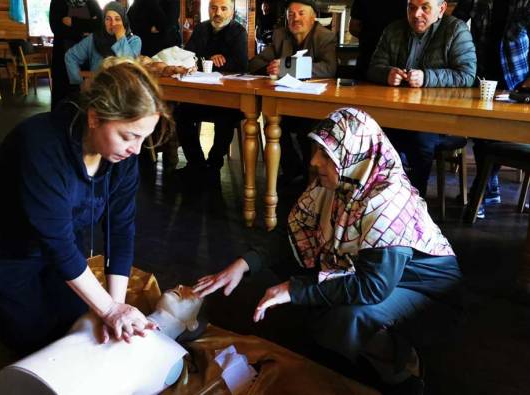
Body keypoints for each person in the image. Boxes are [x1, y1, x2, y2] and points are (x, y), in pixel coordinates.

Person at [194, 108, 462, 392]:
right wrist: (244, 263)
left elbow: (373, 287)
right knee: (312, 295)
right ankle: (349, 342)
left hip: (422, 287)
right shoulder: (344, 179)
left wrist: (295, 290)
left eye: (325, 154)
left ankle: (401, 367)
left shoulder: (387, 203)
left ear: (354, 154)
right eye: (317, 150)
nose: (314, 161)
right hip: (370, 271)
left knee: (347, 317)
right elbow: (296, 234)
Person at [0, 59, 171, 354]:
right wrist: (107, 310)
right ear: (95, 118)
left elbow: (120, 229)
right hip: (1, 247)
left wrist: (115, 306)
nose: (136, 149)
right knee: (31, 337)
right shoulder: (41, 145)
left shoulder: (124, 157)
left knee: (75, 321)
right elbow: (57, 243)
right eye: (128, 136)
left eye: (143, 137)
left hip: (58, 241)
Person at [367, 0, 476, 198]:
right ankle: (380, 201)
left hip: (439, 118)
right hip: (396, 114)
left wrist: (427, 77)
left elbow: (467, 75)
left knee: (420, 140)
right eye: (411, 7)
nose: (416, 14)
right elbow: (374, 67)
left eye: (425, 7)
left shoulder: (456, 30)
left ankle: (416, 203)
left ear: (441, 9)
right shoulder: (394, 29)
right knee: (370, 133)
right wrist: (387, 73)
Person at [453, 0, 530, 218]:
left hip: (515, 73)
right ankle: (488, 186)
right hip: (480, 68)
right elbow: (456, 21)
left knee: (497, 133)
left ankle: (484, 189)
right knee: (479, 130)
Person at [248, 0, 337, 185]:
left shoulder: (324, 36)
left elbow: (329, 68)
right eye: (291, 14)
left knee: (308, 130)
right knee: (272, 121)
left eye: (301, 13)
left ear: (313, 18)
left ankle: (308, 176)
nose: (295, 18)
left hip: (314, 104)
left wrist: (289, 68)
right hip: (286, 101)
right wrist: (269, 68)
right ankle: (291, 169)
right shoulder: (281, 36)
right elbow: (255, 63)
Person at [174, 0, 248, 182]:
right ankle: (196, 163)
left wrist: (213, 62)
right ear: (208, 9)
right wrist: (210, 59)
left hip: (227, 98)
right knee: (181, 113)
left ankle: (214, 165)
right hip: (200, 95)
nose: (218, 13)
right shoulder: (201, 29)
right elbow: (188, 57)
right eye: (214, 8)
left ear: (231, 12)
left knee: (226, 118)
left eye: (223, 9)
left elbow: (241, 64)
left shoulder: (238, 31)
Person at [65, 1, 142, 87]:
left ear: (124, 21)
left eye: (117, 19)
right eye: (108, 19)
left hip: (123, 93)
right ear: (103, 21)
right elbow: (71, 56)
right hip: (97, 93)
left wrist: (120, 37)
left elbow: (128, 66)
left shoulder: (134, 41)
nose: (112, 24)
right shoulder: (94, 38)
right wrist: (80, 82)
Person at [49, 0, 103, 109]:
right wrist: (86, 28)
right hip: (63, 56)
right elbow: (57, 28)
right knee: (63, 94)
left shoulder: (91, 2)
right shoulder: (57, 2)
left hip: (88, 57)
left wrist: (73, 22)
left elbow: (99, 24)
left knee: (87, 94)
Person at [349, 0, 406, 80]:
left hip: (368, 53)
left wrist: (368, 36)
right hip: (397, 59)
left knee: (362, 89)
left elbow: (353, 27)